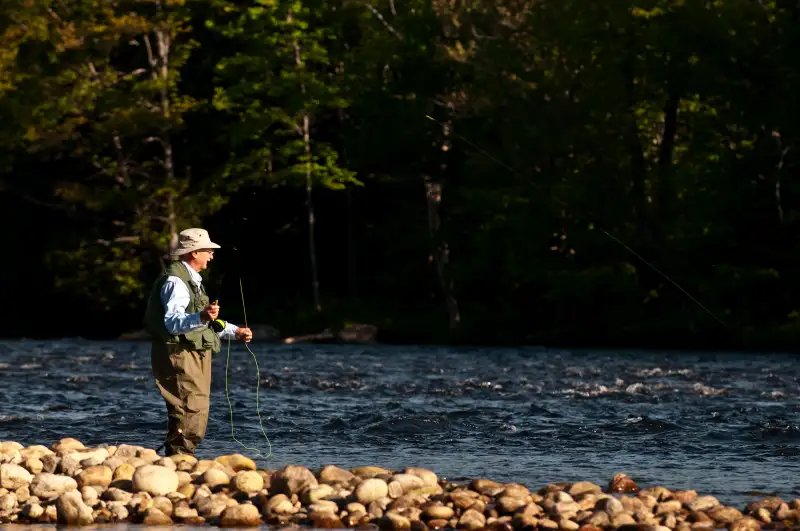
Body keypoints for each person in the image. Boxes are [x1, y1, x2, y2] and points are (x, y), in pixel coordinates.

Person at [144, 227, 253, 456]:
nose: (211, 256)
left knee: (196, 405)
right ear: (194, 253)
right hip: (178, 351)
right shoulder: (175, 281)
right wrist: (202, 316)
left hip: (193, 351)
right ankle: (179, 457)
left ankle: (181, 456)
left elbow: (204, 323)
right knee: (188, 405)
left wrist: (236, 332)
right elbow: (173, 322)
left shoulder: (192, 280)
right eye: (208, 251)